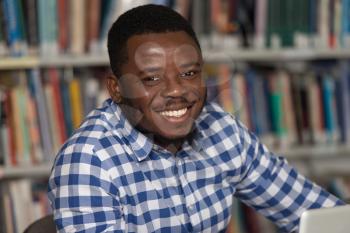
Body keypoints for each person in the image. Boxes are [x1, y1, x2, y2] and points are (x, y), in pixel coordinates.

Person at [48, 4, 345, 233]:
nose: (177, 90)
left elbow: (316, 213)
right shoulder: (89, 162)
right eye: (151, 78)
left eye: (189, 73)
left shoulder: (221, 130)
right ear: (116, 88)